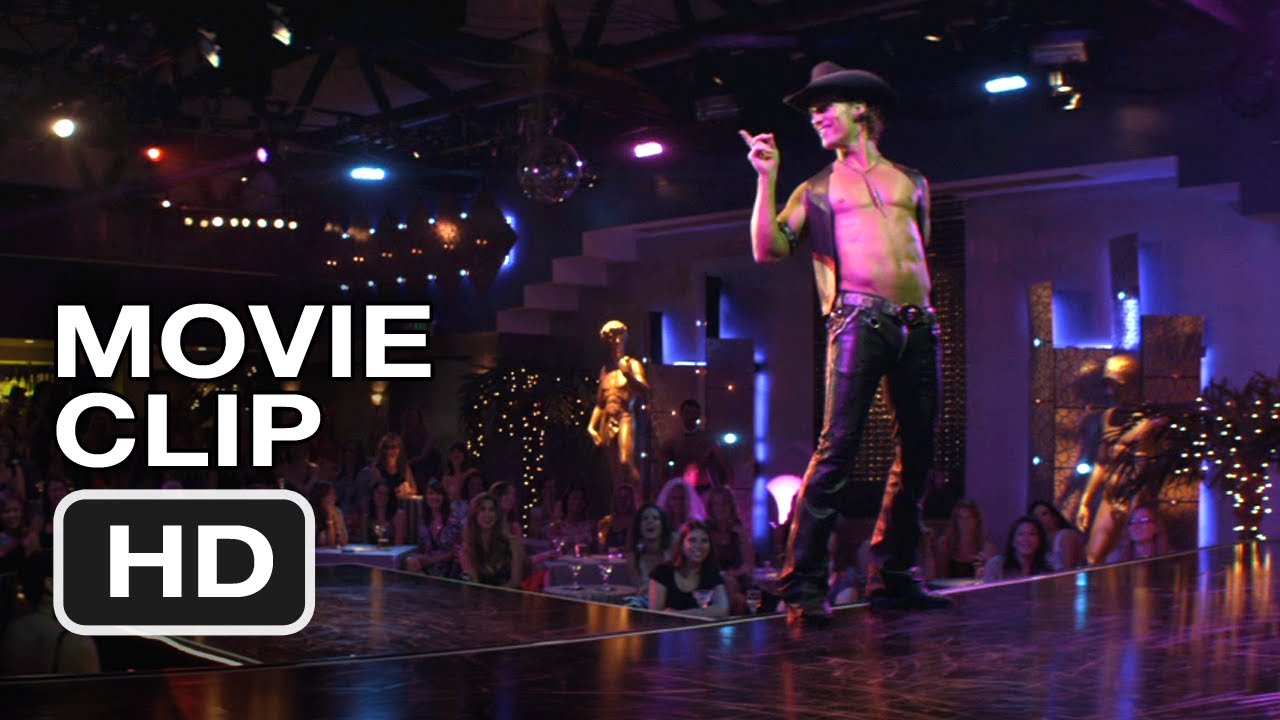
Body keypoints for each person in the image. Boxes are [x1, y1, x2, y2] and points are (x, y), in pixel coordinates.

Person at [742, 61, 950, 625]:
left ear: (861, 109)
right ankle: (803, 585)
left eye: (823, 106)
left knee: (919, 453)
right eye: (811, 110)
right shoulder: (816, 188)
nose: (815, 117)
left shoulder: (912, 181)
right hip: (859, 319)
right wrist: (765, 178)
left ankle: (893, 576)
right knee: (838, 449)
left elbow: (919, 251)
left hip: (919, 323)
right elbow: (768, 249)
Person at [1076, 354, 1171, 565]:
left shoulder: (1149, 418)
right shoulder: (1108, 416)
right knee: (1093, 556)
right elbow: (1101, 463)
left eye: (1116, 384)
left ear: (1129, 383)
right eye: (1109, 385)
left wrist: (1140, 436)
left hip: (1138, 496)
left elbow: (1146, 465)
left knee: (1138, 555)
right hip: (1111, 493)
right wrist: (1086, 500)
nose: (1112, 391)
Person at [587, 320, 649, 488]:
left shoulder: (632, 364)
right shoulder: (605, 370)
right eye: (611, 338)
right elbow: (600, 403)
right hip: (607, 419)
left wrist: (627, 375)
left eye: (619, 336)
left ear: (624, 338)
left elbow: (644, 390)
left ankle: (637, 497)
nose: (615, 341)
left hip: (624, 416)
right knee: (613, 471)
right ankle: (618, 501)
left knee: (625, 462)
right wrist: (591, 427)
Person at [649, 520, 730, 619]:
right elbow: (655, 616)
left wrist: (678, 614)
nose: (699, 546)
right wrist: (706, 612)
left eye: (704, 541)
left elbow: (723, 609)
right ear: (681, 544)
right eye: (692, 540)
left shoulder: (712, 573)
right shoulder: (662, 572)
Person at [982, 517, 1051, 582]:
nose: (1026, 539)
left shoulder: (1046, 571)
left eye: (1032, 534)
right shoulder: (996, 565)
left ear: (1040, 540)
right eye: (1020, 534)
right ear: (1013, 541)